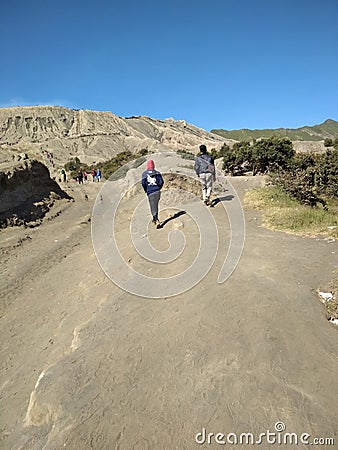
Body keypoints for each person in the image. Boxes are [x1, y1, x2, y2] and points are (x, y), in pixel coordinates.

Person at [141, 160, 164, 228]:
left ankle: (156, 220)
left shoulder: (144, 174)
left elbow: (143, 183)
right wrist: (158, 188)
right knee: (155, 205)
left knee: (152, 206)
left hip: (150, 192)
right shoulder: (157, 173)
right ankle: (155, 218)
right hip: (157, 191)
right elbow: (161, 182)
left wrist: (146, 190)